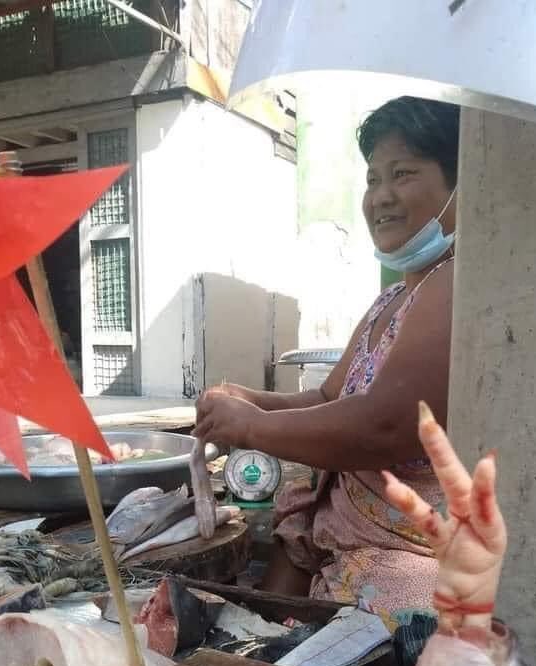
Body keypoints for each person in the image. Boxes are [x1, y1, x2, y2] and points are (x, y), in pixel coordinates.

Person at [194, 95, 460, 630]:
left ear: (459, 184)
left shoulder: (456, 281)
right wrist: (248, 399)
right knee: (258, 635)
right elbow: (325, 400)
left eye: (403, 174)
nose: (380, 197)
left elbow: (387, 423)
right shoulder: (390, 301)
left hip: (405, 551)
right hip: (340, 536)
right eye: (372, 179)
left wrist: (252, 427)